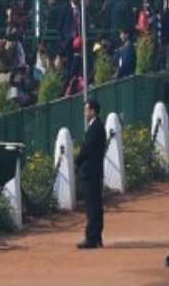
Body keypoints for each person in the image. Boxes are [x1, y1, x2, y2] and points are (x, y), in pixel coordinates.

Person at [75, 98, 107, 248]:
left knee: (92, 206)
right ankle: (97, 237)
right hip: (93, 171)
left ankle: (92, 237)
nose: (84, 113)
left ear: (93, 111)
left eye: (86, 110)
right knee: (94, 205)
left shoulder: (96, 128)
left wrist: (77, 161)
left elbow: (87, 149)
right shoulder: (96, 127)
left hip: (90, 172)